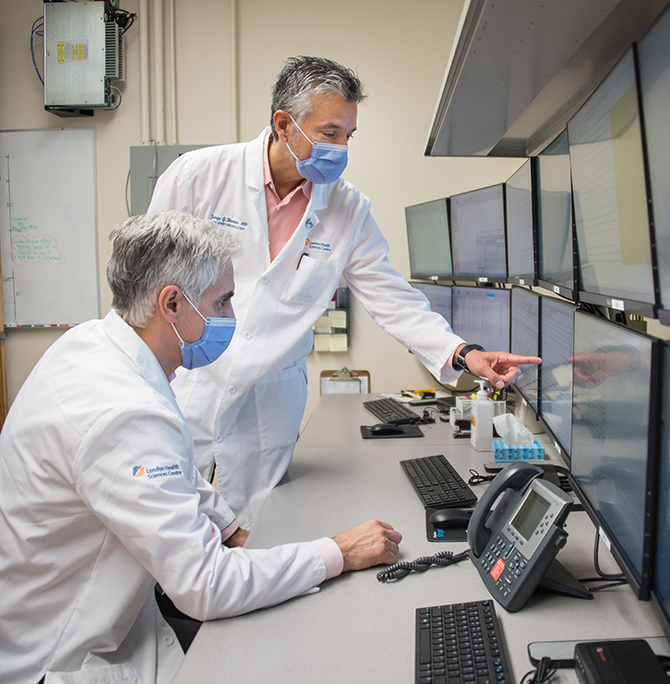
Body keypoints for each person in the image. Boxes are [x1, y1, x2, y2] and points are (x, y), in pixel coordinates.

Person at [0, 211, 403, 684]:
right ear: (171, 303)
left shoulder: (95, 345)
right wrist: (338, 551)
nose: (232, 318)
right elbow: (206, 587)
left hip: (87, 618)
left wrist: (232, 528)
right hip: (63, 662)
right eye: (222, 302)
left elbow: (174, 472)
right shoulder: (122, 411)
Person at [148, 56, 540, 524]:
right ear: (283, 124)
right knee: (168, 521)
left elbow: (391, 298)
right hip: (191, 380)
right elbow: (150, 285)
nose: (341, 148)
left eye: (348, 136)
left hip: (269, 398)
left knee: (256, 530)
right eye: (330, 133)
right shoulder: (198, 176)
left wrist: (464, 352)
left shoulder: (348, 208)